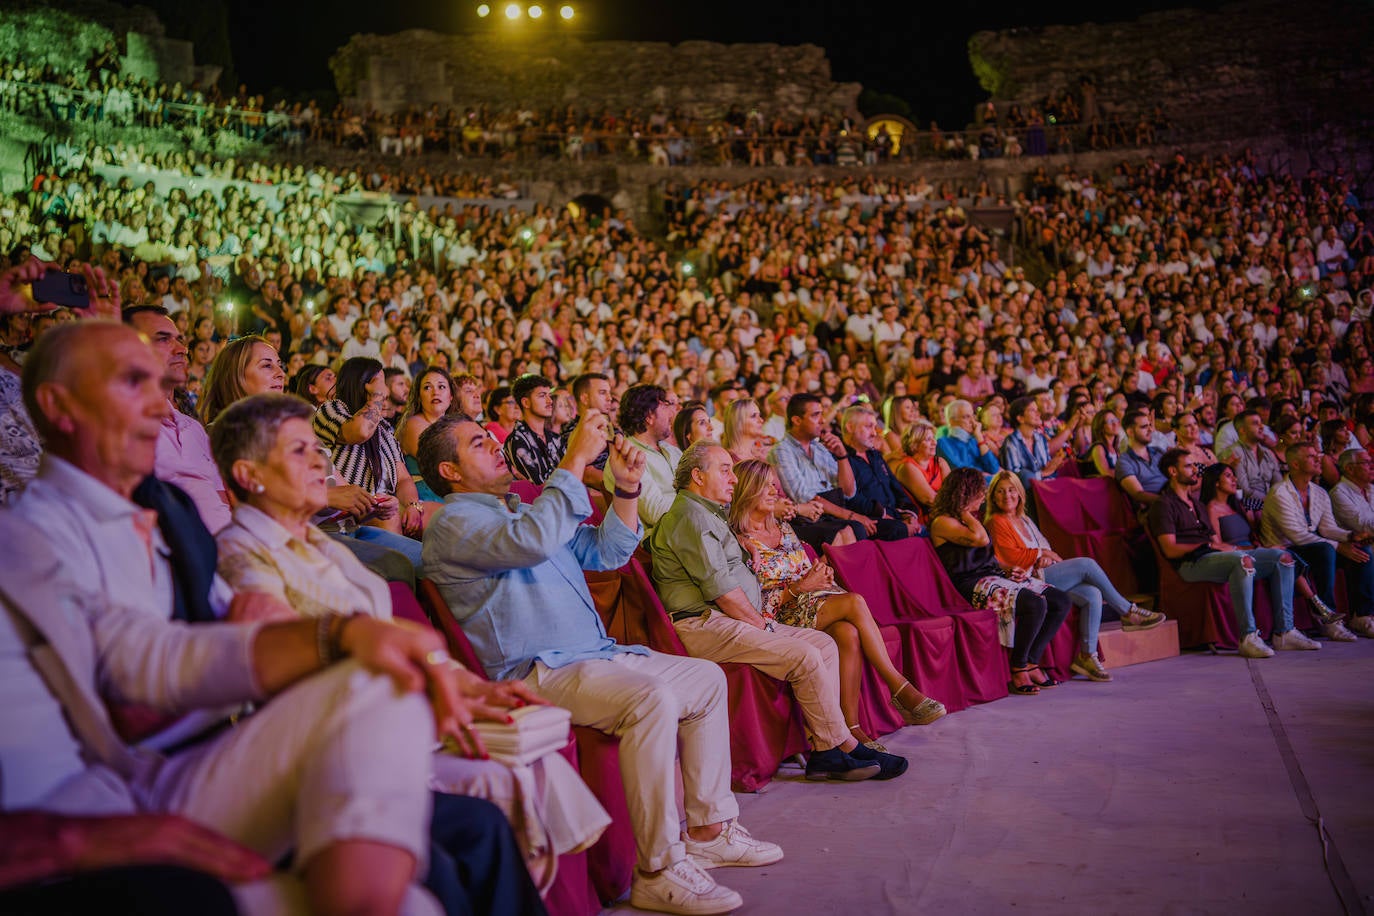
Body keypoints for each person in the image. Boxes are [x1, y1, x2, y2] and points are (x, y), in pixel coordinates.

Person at [1, 320, 504, 915]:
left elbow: (176, 642)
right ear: (59, 406)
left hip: (186, 761)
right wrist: (333, 634)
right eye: (132, 382)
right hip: (95, 797)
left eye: (161, 383)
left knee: (377, 686)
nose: (160, 401)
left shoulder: (166, 513)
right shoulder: (29, 535)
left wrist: (329, 635)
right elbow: (141, 662)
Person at [210, 392, 609, 891]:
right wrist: (434, 692)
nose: (321, 461)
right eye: (299, 451)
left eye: (318, 448)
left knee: (526, 770)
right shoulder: (241, 556)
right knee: (492, 809)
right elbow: (288, 672)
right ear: (249, 476)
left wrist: (464, 684)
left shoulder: (318, 546)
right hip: (333, 749)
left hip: (386, 719)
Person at [418, 411, 784, 916]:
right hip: (537, 670)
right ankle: (657, 868)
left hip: (594, 657)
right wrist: (573, 461)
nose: (496, 446)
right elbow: (531, 543)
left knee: (704, 679)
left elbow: (607, 552)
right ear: (450, 472)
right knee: (650, 699)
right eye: (480, 444)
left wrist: (628, 491)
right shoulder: (452, 523)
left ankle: (709, 828)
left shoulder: (522, 511)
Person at [649, 441, 896, 781]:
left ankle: (827, 748)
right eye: (724, 470)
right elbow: (722, 593)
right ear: (697, 476)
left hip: (727, 619)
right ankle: (844, 746)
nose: (733, 479)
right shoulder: (690, 516)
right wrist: (762, 625)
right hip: (704, 624)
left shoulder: (706, 512)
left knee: (823, 644)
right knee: (806, 654)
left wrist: (743, 545)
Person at [729, 458, 945, 749]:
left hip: (809, 602)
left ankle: (850, 729)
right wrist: (799, 587)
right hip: (777, 615)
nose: (774, 492)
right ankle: (898, 686)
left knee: (848, 633)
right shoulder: (739, 540)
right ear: (747, 491)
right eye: (765, 486)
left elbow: (803, 569)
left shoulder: (782, 526)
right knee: (854, 602)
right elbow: (751, 601)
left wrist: (821, 574)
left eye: (774, 485)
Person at [984, 470, 1166, 682]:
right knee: (1087, 565)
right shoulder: (996, 521)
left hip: (1041, 569)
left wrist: (1046, 555)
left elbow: (1045, 545)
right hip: (1025, 579)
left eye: (1012, 489)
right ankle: (1127, 611)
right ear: (993, 497)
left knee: (1092, 593)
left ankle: (1087, 656)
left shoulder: (1023, 519)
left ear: (1020, 493)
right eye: (1001, 491)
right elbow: (1009, 555)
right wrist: (1042, 554)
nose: (1007, 495)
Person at [929, 467, 1072, 695]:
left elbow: (988, 556)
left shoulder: (970, 520)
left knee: (1060, 599)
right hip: (970, 583)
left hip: (993, 576)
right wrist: (964, 511)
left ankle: (1032, 661)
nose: (983, 497)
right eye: (979, 492)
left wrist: (1008, 570)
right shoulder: (942, 522)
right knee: (1035, 603)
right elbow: (980, 539)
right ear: (966, 494)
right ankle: (1018, 666)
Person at [1148, 449, 1299, 658]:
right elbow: (1170, 549)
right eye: (1188, 466)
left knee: (1282, 558)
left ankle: (1284, 632)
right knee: (1242, 561)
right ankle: (1248, 637)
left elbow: (1215, 542)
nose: (1195, 470)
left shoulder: (1198, 504)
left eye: (1195, 465)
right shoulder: (1164, 505)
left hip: (1211, 558)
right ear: (1173, 471)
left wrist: (1228, 547)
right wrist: (1210, 547)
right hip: (1190, 564)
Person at [1200, 462, 1353, 641]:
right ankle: (1317, 606)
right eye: (1228, 476)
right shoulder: (1211, 508)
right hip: (1236, 556)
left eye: (1234, 475)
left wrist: (1257, 542)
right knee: (1284, 555)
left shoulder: (1238, 506)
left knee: (1289, 555)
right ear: (1215, 482)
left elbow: (1253, 535)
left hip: (1253, 550)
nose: (1235, 479)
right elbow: (1218, 544)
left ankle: (1306, 615)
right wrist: (1258, 549)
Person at [313, 357, 428, 563]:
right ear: (361, 384)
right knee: (408, 560)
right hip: (349, 513)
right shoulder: (332, 410)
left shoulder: (383, 427)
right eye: (379, 382)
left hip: (381, 507)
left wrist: (412, 505)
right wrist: (376, 397)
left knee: (434, 541)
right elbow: (358, 432)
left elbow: (403, 479)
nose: (384, 390)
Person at [1261, 442, 1374, 639]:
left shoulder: (1319, 492)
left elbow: (1327, 528)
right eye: (1311, 456)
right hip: (1285, 549)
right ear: (1295, 465)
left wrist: (1350, 537)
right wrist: (1339, 546)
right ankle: (1328, 619)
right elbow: (1297, 536)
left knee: (1362, 550)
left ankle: (1362, 615)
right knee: (1325, 550)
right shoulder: (1280, 493)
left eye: (1317, 455)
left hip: (1313, 547)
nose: (1318, 459)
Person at [769, 392, 870, 549]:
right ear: (796, 420)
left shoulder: (820, 448)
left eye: (822, 415)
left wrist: (842, 456)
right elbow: (803, 497)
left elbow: (849, 492)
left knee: (860, 528)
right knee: (852, 528)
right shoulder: (782, 451)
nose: (823, 421)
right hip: (807, 518)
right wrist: (851, 515)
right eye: (816, 415)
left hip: (832, 513)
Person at [839, 404, 922, 538]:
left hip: (896, 516)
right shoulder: (842, 460)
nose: (874, 433)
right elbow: (852, 499)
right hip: (874, 521)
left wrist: (909, 514)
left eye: (874, 426)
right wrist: (887, 516)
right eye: (868, 426)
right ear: (850, 427)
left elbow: (896, 487)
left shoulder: (875, 455)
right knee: (900, 530)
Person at [612, 383, 683, 532]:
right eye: (665, 406)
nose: (672, 412)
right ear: (649, 416)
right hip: (665, 539)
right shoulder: (628, 457)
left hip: (690, 525)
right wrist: (702, 508)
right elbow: (657, 513)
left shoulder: (671, 450)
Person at [199, 334, 286, 425]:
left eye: (280, 366)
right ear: (235, 376)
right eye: (267, 365)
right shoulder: (219, 434)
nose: (282, 374)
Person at [1000, 396, 1076, 486]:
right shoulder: (1011, 442)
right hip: (1025, 492)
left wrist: (1054, 464)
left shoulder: (1040, 438)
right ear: (1020, 418)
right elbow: (1015, 476)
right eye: (1032, 410)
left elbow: (1047, 468)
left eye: (1037, 410)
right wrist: (1043, 473)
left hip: (1045, 486)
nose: (1038, 414)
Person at [503, 374, 565, 485]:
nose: (550, 401)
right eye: (542, 396)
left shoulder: (556, 439)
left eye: (549, 395)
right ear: (526, 402)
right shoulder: (517, 441)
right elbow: (538, 486)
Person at [890, 419, 951, 519]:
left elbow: (954, 491)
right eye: (928, 439)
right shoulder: (907, 467)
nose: (934, 442)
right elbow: (930, 499)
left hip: (945, 513)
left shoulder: (940, 462)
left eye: (933, 438)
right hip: (925, 519)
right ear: (914, 445)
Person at [1115, 409, 1167, 510]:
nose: (1151, 430)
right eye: (1144, 427)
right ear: (1130, 432)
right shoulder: (1124, 461)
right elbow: (1138, 494)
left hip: (1172, 498)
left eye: (1149, 425)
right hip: (1155, 508)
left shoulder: (1158, 452)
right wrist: (1169, 502)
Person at [1228, 409, 1283, 505]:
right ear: (1243, 430)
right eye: (1255, 423)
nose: (1262, 426)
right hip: (1249, 506)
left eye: (1261, 423)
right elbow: (1245, 491)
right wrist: (1271, 501)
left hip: (1272, 503)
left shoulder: (1268, 453)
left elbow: (1279, 484)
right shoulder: (1235, 452)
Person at [936, 398, 1001, 475]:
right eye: (966, 417)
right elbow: (959, 470)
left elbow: (993, 468)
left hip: (985, 483)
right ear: (951, 421)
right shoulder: (943, 442)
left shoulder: (975, 441)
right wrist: (983, 475)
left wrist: (980, 438)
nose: (972, 421)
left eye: (973, 416)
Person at [721, 397, 771, 462]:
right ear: (737, 422)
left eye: (759, 415)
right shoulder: (727, 460)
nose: (761, 420)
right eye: (753, 416)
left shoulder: (762, 456)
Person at [1087, 409, 1121, 477]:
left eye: (1115, 420)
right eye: (1110, 421)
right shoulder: (1098, 448)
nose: (1115, 424)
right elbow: (1106, 473)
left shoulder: (1115, 449)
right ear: (1101, 427)